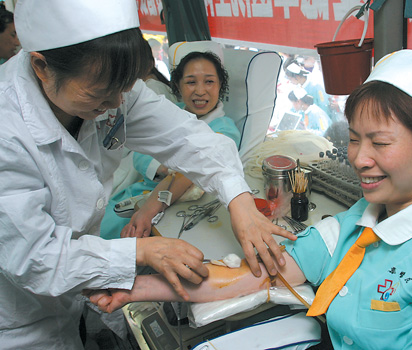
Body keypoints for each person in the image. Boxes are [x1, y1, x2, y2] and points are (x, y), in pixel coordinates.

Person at [88, 50, 412, 349]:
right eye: (354, 139)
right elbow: (265, 272)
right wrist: (136, 288)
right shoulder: (362, 218)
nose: (359, 159)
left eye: (380, 143)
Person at [0, 0, 294, 348]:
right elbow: (35, 259)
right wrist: (140, 253)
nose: (113, 106)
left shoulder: (112, 89)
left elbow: (191, 139)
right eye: (98, 95)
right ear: (42, 66)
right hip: (19, 324)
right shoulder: (8, 130)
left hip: (72, 299)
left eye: (121, 90)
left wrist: (240, 201)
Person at [102, 50, 241, 239]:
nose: (200, 91)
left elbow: (190, 173)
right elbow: (140, 155)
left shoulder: (224, 130)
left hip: (170, 205)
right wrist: (172, 168)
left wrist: (148, 210)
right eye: (191, 82)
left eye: (209, 81)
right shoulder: (169, 112)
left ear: (220, 86)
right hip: (137, 194)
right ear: (177, 85)